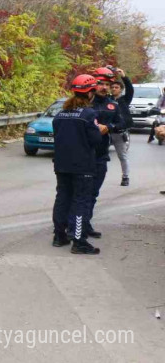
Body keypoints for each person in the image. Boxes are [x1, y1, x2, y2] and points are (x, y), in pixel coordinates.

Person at [52, 74, 105, 254]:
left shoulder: (60, 115)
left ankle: (59, 236)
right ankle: (79, 241)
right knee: (80, 202)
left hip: (61, 165)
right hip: (82, 166)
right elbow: (96, 140)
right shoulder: (89, 114)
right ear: (89, 93)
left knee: (62, 198)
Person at [87, 67, 126, 239]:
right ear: (94, 84)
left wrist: (108, 127)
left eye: (107, 84)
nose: (104, 87)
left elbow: (122, 124)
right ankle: (69, 226)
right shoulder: (84, 102)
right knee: (78, 193)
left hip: (101, 155)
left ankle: (85, 223)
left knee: (93, 193)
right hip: (83, 154)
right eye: (100, 83)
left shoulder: (113, 104)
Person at [109, 67, 133, 186]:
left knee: (122, 155)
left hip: (119, 131)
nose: (114, 89)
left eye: (116, 87)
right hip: (106, 131)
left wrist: (123, 76)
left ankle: (125, 177)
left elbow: (130, 90)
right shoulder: (107, 100)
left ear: (121, 89)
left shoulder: (124, 100)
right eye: (112, 87)